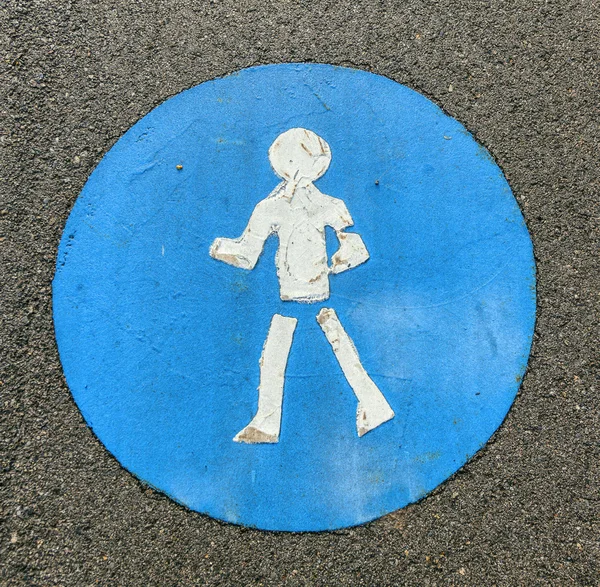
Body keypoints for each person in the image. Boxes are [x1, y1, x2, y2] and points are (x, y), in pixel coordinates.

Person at [210, 128, 394, 443]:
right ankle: (373, 405)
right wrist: (339, 261)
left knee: (278, 354)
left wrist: (217, 248)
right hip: (314, 293)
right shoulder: (326, 203)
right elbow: (356, 248)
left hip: (292, 296)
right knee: (335, 349)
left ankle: (268, 424)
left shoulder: (271, 207)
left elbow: (246, 255)